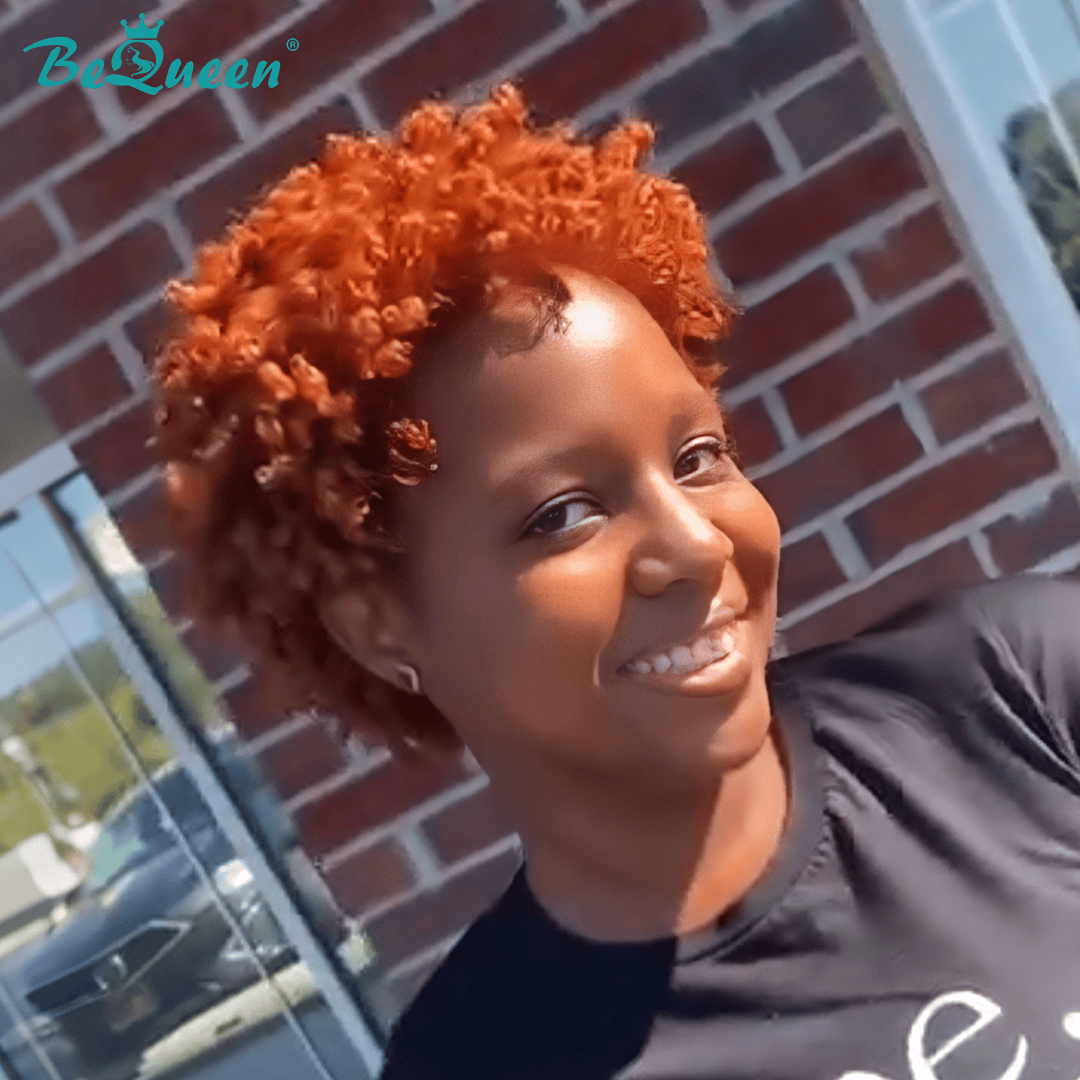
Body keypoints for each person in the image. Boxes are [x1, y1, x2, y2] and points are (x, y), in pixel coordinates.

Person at [152, 83, 1080, 1079]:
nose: (693, 545)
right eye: (563, 513)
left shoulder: (1016, 694)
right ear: (378, 624)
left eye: (698, 458)